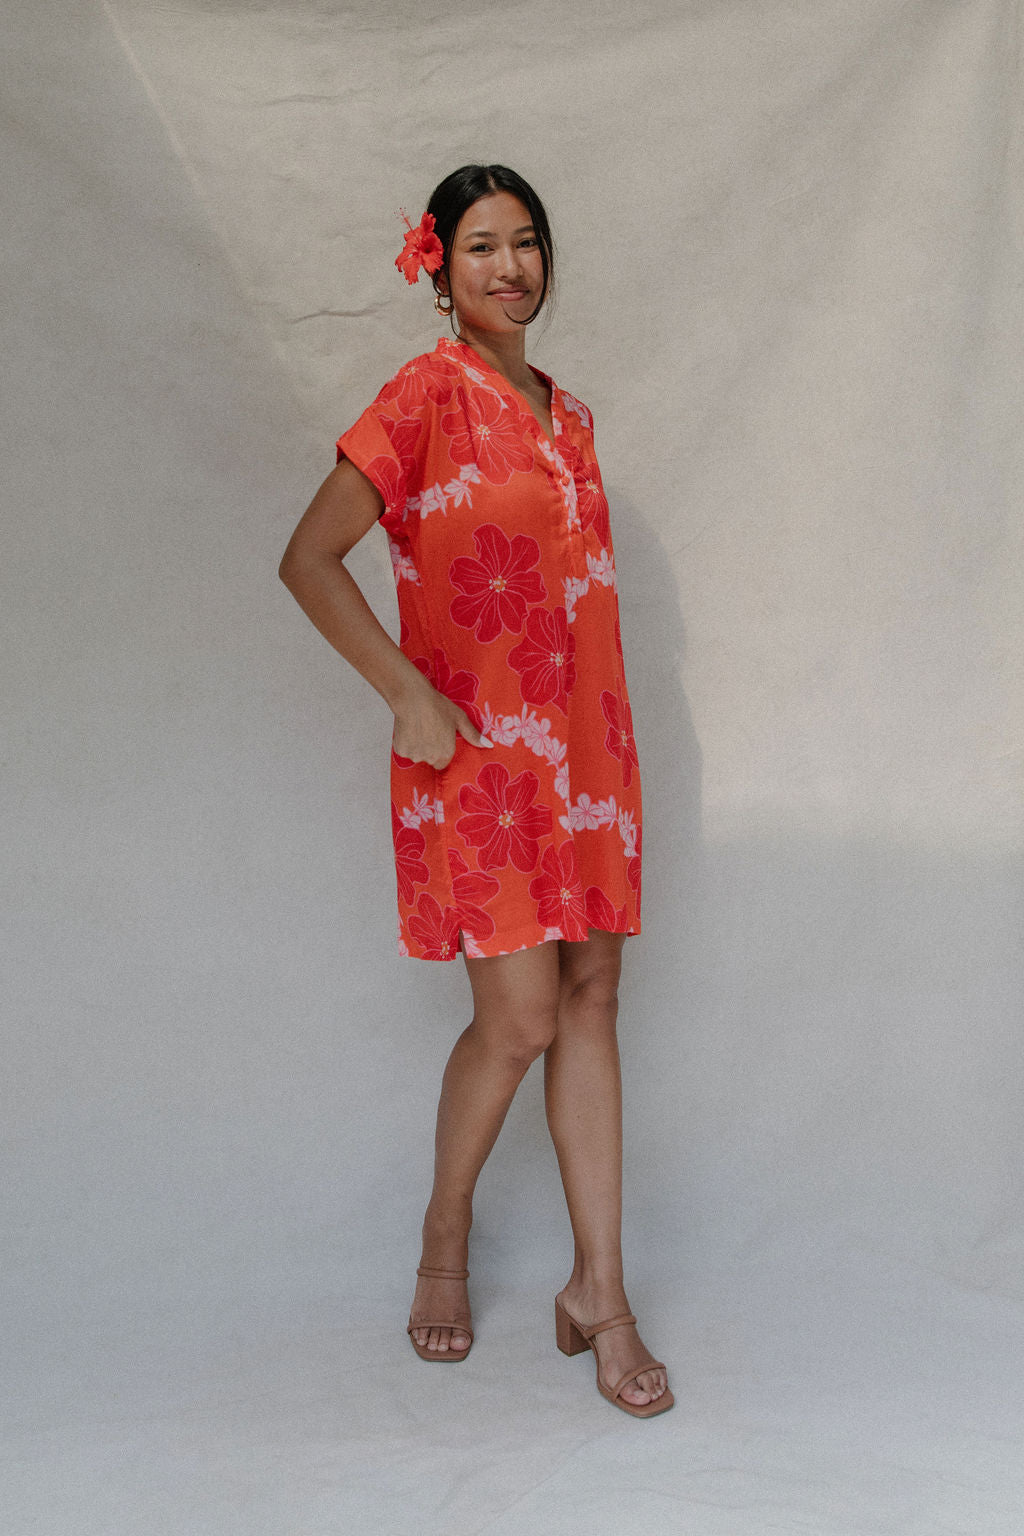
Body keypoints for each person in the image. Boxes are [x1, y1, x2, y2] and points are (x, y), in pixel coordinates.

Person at [278, 164, 672, 1417]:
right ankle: (445, 1234)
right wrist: (404, 692)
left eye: (528, 244)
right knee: (521, 1019)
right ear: (438, 268)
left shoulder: (573, 417)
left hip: (589, 749)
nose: (511, 269)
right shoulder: (421, 396)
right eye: (483, 247)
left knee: (594, 994)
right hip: (482, 763)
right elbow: (310, 556)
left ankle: (597, 1293)